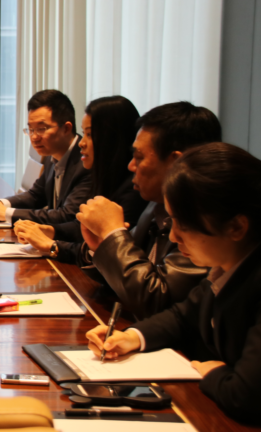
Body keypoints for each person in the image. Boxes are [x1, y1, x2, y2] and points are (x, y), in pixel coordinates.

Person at [86, 143, 261, 425]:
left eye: (184, 224)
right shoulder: (224, 266)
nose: (174, 236)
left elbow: (245, 397)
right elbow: (182, 316)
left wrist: (212, 373)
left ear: (236, 227)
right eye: (172, 221)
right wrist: (131, 337)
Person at [76, 101, 222, 319]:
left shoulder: (206, 219)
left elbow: (158, 300)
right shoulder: (155, 205)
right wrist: (100, 247)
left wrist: (113, 234)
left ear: (176, 162)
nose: (131, 166)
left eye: (139, 157)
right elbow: (125, 276)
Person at [14, 96, 147, 264]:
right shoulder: (104, 177)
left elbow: (111, 255)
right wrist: (49, 230)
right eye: (84, 134)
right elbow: (82, 226)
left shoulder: (133, 191)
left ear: (113, 138)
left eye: (90, 135)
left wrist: (52, 246)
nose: (81, 143)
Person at [0, 89, 91, 224]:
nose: (34, 137)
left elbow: (67, 215)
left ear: (66, 128)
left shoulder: (86, 163)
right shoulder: (52, 155)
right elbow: (36, 195)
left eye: (41, 129)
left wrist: (5, 213)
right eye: (31, 129)